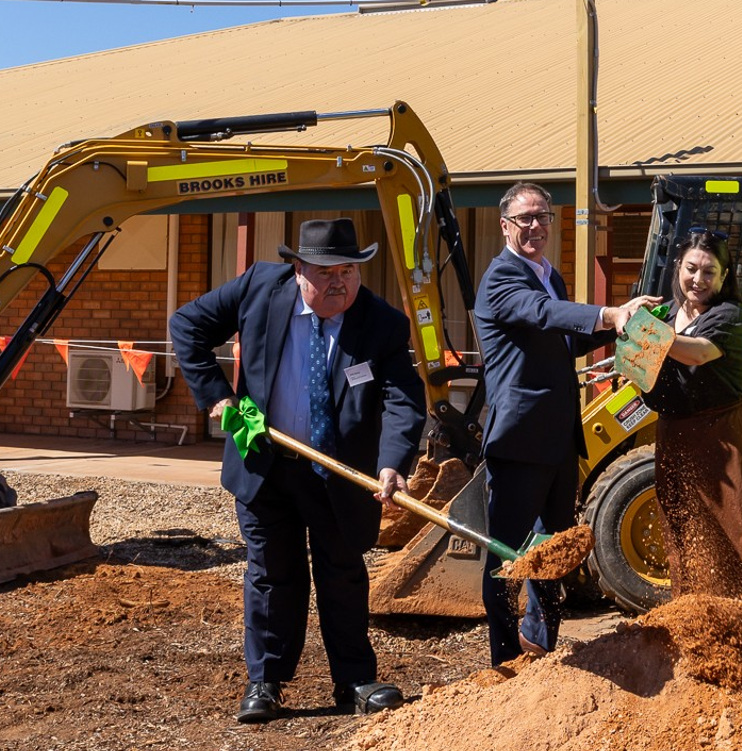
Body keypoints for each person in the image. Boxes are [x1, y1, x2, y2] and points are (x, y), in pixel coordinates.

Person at [170, 218, 426, 723]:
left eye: (349, 271)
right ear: (298, 269)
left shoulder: (381, 323)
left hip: (341, 471)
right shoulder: (259, 288)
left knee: (343, 574)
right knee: (272, 575)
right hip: (267, 465)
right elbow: (187, 326)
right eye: (327, 272)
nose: (340, 283)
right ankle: (265, 683)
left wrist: (392, 463)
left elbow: (402, 399)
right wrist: (217, 394)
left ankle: (353, 682)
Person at [473, 182, 653, 665]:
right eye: (525, 218)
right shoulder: (502, 278)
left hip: (557, 438)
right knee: (508, 556)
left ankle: (543, 647)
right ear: (505, 225)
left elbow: (561, 341)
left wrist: (624, 334)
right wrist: (608, 313)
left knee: (554, 550)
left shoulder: (548, 274)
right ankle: (505, 658)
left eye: (543, 217)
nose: (536, 226)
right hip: (519, 440)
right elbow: (542, 314)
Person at [640, 228, 742, 600]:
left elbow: (696, 353)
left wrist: (641, 330)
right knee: (682, 528)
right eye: (691, 269)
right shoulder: (666, 313)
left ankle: (741, 611)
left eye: (708, 272)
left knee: (731, 528)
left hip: (721, 440)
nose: (697, 280)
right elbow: (643, 366)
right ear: (678, 268)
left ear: (725, 276)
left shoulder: (728, 317)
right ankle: (692, 608)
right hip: (674, 436)